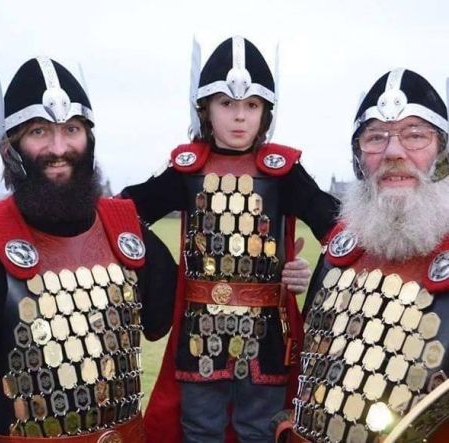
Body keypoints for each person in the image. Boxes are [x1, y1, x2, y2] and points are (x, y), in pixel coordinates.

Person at [121, 36, 339, 443]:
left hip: (269, 335)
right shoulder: (187, 169)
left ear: (265, 112)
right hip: (199, 332)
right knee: (200, 430)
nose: (240, 117)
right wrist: (166, 272)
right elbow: (122, 214)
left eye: (251, 106)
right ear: (205, 109)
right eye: (227, 104)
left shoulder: (283, 171)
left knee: (259, 431)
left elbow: (340, 229)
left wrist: (309, 275)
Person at [0, 57, 176, 442]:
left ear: (89, 139)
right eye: (39, 131)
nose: (59, 148)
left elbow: (167, 318)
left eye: (71, 129)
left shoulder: (125, 227)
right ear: (11, 147)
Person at [280, 68, 449, 443]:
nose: (393, 152)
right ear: (359, 158)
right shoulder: (340, 250)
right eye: (375, 138)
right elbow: (307, 377)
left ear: (443, 153)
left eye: (415, 135)